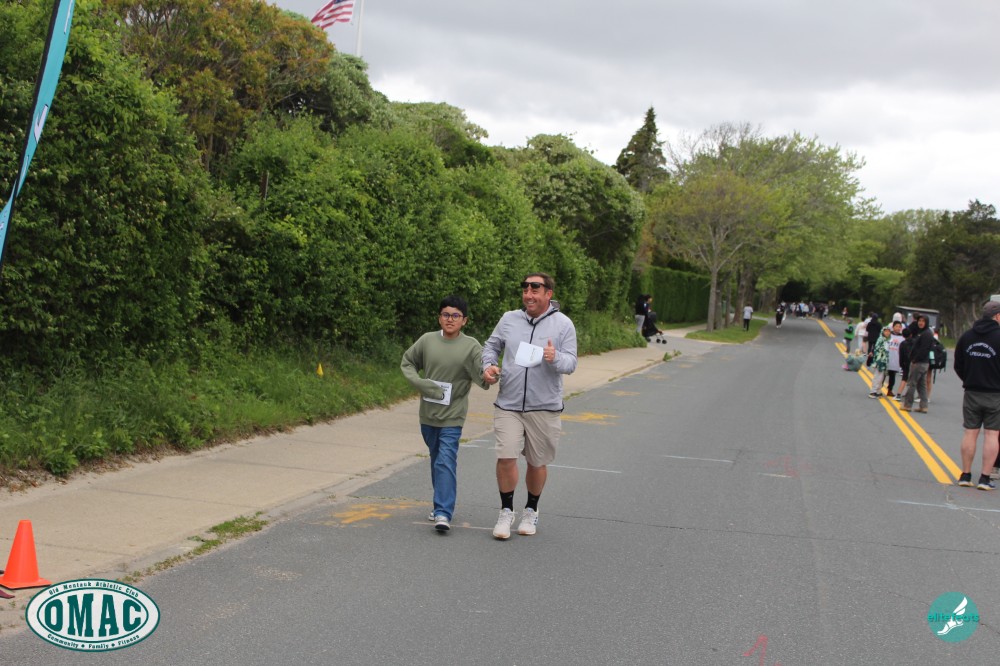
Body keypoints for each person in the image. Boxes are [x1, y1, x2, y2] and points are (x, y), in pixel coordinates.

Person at [482, 273, 577, 539]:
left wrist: (555, 357)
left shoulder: (563, 324)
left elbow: (571, 363)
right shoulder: (509, 319)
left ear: (548, 294)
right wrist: (488, 366)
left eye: (535, 289)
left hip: (544, 407)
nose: (528, 294)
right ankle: (506, 511)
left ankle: (531, 510)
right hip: (509, 404)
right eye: (525, 289)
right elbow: (491, 347)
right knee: (506, 457)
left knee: (537, 462)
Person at [401, 295, 491, 532]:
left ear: (464, 320)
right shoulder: (427, 340)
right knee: (436, 459)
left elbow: (482, 375)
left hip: (453, 415)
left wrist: (490, 374)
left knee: (445, 460)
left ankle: (443, 512)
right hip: (428, 414)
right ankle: (439, 503)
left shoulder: (471, 346)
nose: (450, 319)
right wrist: (420, 383)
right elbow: (407, 362)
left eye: (455, 316)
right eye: (446, 314)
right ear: (439, 317)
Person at [953, 301, 1000, 490]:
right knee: (991, 434)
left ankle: (965, 475)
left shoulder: (967, 336)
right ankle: (985, 478)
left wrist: (969, 379)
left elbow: (958, 364)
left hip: (972, 391)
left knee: (970, 432)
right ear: (997, 316)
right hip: (995, 394)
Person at [901, 314, 935, 413]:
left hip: (919, 362)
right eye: (919, 321)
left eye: (923, 321)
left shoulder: (926, 334)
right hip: (923, 363)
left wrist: (915, 360)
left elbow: (924, 349)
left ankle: (907, 405)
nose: (921, 323)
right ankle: (924, 406)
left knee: (912, 383)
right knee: (921, 386)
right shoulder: (923, 332)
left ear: (926, 322)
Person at [868, 326, 890, 398]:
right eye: (885, 331)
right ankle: (873, 391)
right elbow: (877, 349)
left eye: (888, 331)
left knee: (881, 377)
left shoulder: (886, 340)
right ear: (882, 332)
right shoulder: (881, 339)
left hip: (883, 361)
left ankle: (878, 390)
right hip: (879, 361)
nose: (887, 333)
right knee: (877, 376)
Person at [885, 321, 904, 397]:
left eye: (899, 327)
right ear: (893, 327)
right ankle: (878, 389)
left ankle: (890, 390)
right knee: (883, 374)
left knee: (892, 376)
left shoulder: (902, 337)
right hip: (887, 357)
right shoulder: (889, 335)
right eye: (896, 326)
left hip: (896, 359)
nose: (898, 328)